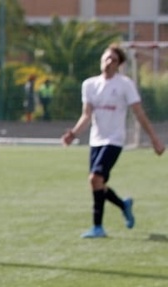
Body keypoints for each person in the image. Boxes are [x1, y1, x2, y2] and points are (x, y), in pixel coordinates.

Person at [62, 44, 164, 238]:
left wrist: (154, 140)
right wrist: (73, 134)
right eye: (107, 58)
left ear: (119, 65)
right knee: (98, 183)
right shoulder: (89, 84)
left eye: (114, 60)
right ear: (101, 60)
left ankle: (97, 227)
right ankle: (123, 205)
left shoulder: (125, 84)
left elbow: (139, 113)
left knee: (94, 178)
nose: (109, 62)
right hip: (96, 140)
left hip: (114, 140)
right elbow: (86, 115)